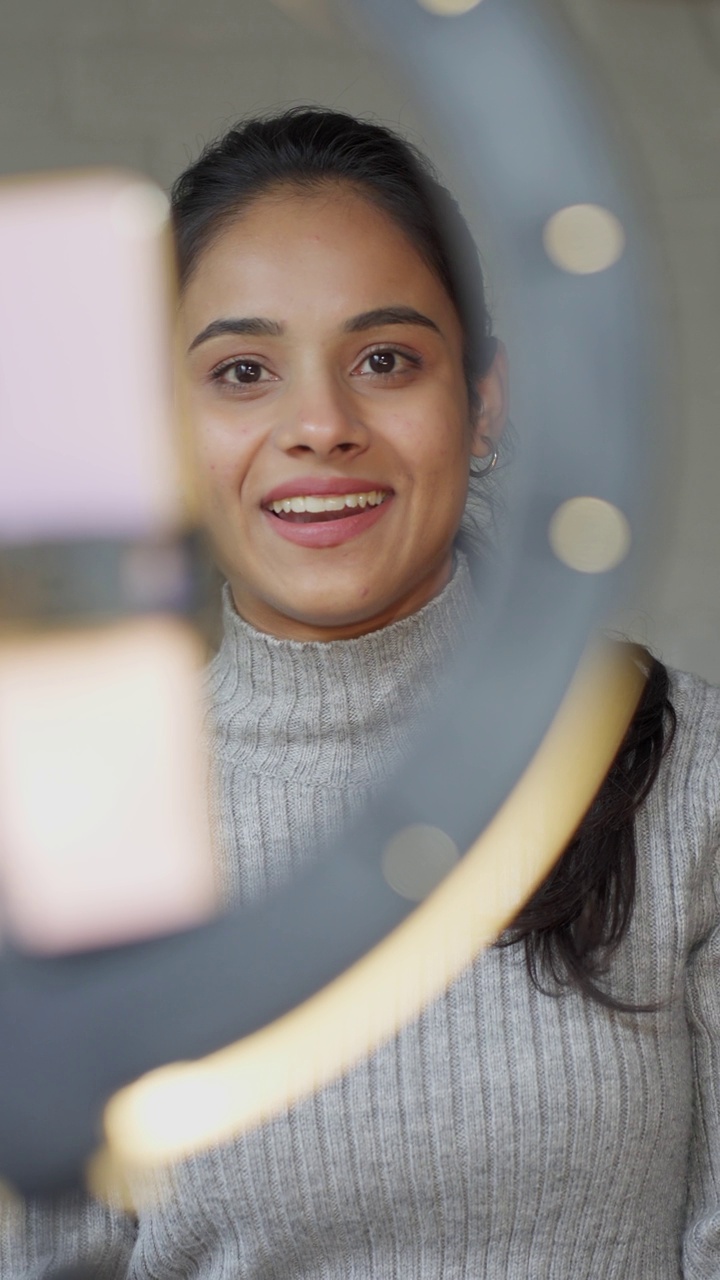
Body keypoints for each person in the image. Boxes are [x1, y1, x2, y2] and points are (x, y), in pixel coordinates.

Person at [4, 106, 720, 1279]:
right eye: (242, 371)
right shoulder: (73, 833)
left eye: (385, 359)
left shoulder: (684, 770)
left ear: (483, 400)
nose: (322, 425)